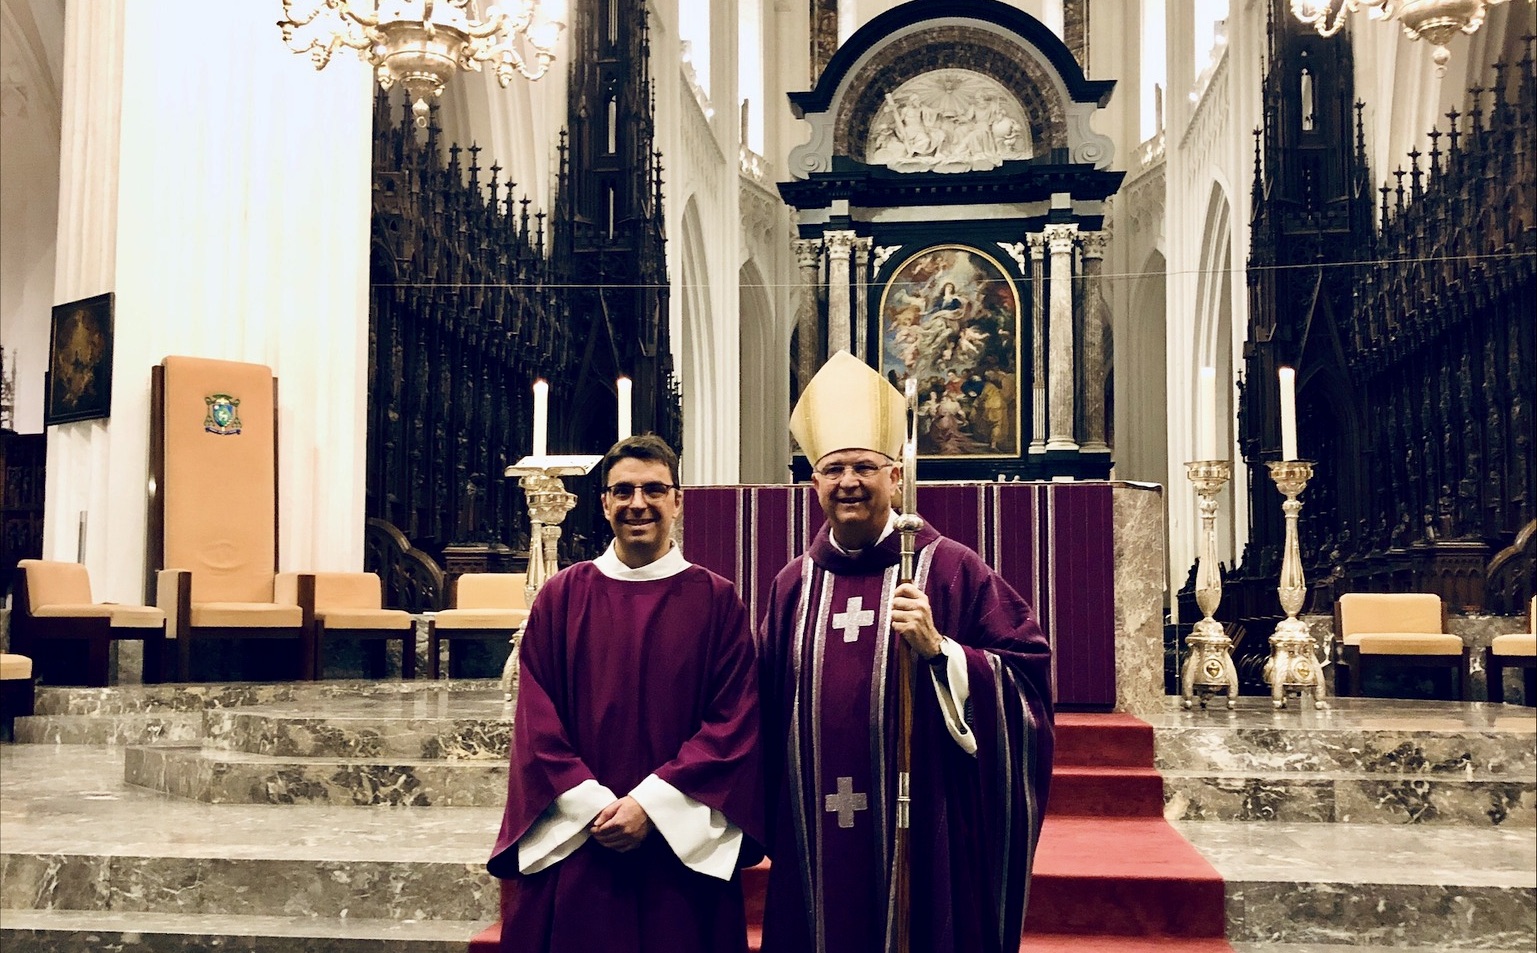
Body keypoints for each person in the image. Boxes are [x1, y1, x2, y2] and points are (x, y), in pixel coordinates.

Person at [759, 350, 1054, 953]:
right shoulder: (792, 584)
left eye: (865, 466)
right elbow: (760, 703)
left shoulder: (946, 569)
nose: (849, 482)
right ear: (813, 481)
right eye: (833, 468)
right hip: (814, 820)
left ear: (896, 476)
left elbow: (1027, 676)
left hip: (922, 822)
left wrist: (943, 651)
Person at [488, 434, 764, 953]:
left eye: (654, 489)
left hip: (677, 847)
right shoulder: (562, 596)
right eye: (623, 491)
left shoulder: (717, 600)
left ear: (678, 501)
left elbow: (732, 722)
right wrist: (597, 807)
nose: (638, 504)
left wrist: (649, 806)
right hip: (582, 840)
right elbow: (536, 722)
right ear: (604, 503)